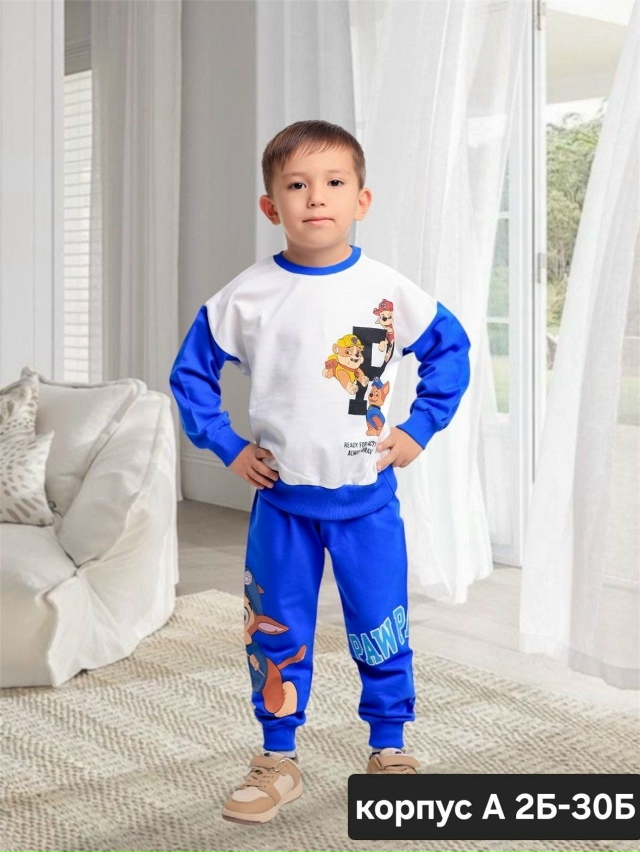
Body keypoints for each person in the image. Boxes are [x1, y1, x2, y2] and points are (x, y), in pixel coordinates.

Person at [170, 120, 471, 825]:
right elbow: (191, 378)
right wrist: (228, 446)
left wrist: (418, 429)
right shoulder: (246, 296)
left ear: (361, 200)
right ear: (270, 205)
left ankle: (389, 747)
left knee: (380, 623)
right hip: (283, 505)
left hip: (367, 502)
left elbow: (450, 351)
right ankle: (277, 758)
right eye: (297, 185)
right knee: (274, 630)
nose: (316, 198)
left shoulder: (387, 290)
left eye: (334, 183)